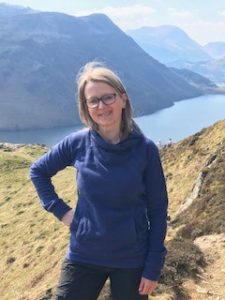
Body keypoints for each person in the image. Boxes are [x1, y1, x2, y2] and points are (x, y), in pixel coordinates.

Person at [30, 62, 168, 300]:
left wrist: (153, 266)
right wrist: (63, 213)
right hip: (84, 254)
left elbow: (158, 210)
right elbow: (38, 171)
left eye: (108, 98)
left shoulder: (145, 151)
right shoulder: (77, 142)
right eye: (93, 101)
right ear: (86, 107)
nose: (101, 106)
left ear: (123, 99)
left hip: (131, 259)